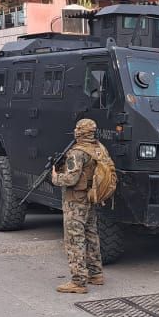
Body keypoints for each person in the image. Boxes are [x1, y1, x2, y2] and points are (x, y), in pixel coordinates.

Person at [51, 119, 108, 294]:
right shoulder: (99, 148)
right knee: (91, 234)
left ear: (80, 132)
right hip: (91, 197)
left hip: (75, 201)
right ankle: (95, 273)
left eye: (77, 128)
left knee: (74, 239)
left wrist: (55, 177)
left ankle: (78, 281)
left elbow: (71, 179)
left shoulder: (77, 152)